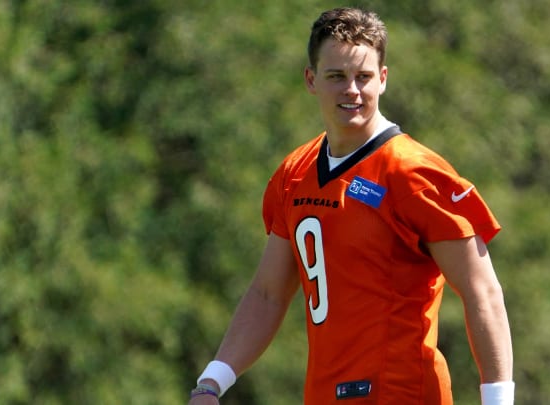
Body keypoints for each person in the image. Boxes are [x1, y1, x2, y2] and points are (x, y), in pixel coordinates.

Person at [189, 7, 514, 405]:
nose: (352, 90)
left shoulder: (413, 172)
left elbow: (482, 290)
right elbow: (267, 294)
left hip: (399, 392)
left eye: (363, 77)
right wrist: (213, 382)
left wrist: (498, 399)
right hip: (324, 393)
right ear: (311, 80)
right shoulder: (295, 172)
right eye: (336, 76)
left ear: (383, 78)